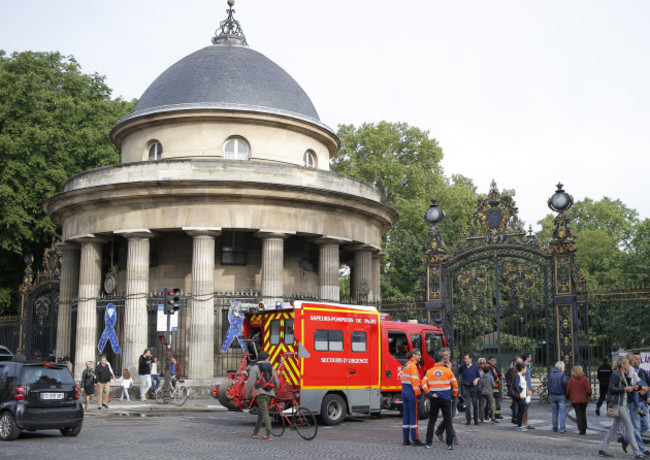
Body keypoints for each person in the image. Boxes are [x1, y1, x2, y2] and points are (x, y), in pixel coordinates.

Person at [598, 356, 647, 459]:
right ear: (623, 365)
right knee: (630, 427)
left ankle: (602, 448)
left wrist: (640, 388)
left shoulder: (624, 374)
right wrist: (624, 389)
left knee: (614, 428)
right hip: (618, 405)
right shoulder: (616, 374)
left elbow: (630, 386)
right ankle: (637, 453)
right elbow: (611, 388)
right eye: (628, 363)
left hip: (622, 404)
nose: (629, 365)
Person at [422, 353, 458, 450]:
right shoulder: (447, 371)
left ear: (434, 360)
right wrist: (453, 397)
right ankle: (449, 444)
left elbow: (423, 384)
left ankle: (428, 443)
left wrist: (429, 394)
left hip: (434, 398)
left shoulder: (429, 371)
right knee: (448, 420)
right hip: (446, 398)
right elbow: (455, 386)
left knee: (432, 420)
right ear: (442, 360)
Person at [245, 350, 279, 441]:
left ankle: (269, 434)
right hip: (270, 393)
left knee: (265, 413)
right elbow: (276, 381)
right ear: (267, 358)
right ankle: (255, 432)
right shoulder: (271, 367)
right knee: (261, 412)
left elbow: (251, 383)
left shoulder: (255, 368)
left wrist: (247, 394)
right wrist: (275, 390)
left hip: (260, 394)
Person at [434, 347, 459, 446]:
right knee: (448, 416)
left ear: (450, 355)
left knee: (450, 416)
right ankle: (453, 436)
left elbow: (457, 379)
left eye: (446, 355)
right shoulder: (440, 366)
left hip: (455, 392)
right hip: (445, 393)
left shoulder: (455, 364)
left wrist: (458, 391)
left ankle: (439, 431)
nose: (445, 357)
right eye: (443, 356)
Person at [400, 349, 424, 446]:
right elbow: (415, 383)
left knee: (406, 416)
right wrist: (418, 395)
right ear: (413, 355)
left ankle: (406, 440)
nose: (420, 357)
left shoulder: (406, 365)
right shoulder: (413, 366)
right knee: (414, 416)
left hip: (404, 392)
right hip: (411, 393)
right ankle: (415, 439)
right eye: (418, 355)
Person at [566, 364, 592, 435]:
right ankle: (584, 427)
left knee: (578, 414)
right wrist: (589, 395)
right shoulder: (585, 379)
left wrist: (568, 396)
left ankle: (580, 428)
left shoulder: (572, 380)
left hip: (575, 400)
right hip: (584, 399)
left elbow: (568, 390)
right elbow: (589, 390)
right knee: (583, 413)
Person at [459, 354, 480, 425]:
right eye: (464, 359)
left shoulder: (475, 367)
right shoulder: (462, 367)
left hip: (474, 387)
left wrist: (476, 379)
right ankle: (468, 420)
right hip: (465, 388)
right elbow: (457, 374)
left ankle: (476, 420)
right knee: (467, 405)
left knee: (475, 404)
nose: (465, 360)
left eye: (466, 359)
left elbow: (479, 376)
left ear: (470, 359)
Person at [548, 360, 568, 433]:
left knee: (554, 412)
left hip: (553, 395)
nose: (564, 369)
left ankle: (555, 427)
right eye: (563, 367)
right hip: (561, 395)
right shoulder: (562, 375)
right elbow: (565, 384)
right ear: (560, 367)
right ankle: (562, 427)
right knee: (562, 412)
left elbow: (549, 384)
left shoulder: (551, 374)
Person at [521, 352, 534, 430]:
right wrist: (527, 389)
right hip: (526, 390)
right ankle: (523, 423)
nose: (531, 358)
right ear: (527, 358)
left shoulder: (526, 366)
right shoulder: (523, 366)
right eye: (530, 357)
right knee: (524, 407)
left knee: (527, 407)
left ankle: (526, 422)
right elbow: (523, 379)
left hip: (528, 389)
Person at [513, 362, 528, 431]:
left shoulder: (521, 375)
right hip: (521, 395)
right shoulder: (517, 375)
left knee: (522, 410)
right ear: (522, 369)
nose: (526, 369)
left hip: (523, 395)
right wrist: (520, 393)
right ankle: (519, 426)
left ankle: (520, 425)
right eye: (525, 368)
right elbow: (516, 385)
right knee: (521, 410)